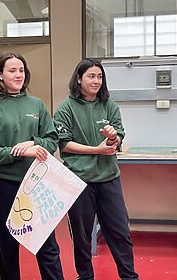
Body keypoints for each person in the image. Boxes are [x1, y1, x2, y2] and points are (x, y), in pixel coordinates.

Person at [53, 58, 139, 280]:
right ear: (79, 78)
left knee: (120, 232)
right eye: (91, 76)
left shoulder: (109, 106)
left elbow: (119, 136)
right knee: (81, 237)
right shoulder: (66, 108)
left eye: (100, 76)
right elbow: (64, 144)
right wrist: (96, 150)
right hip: (78, 181)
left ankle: (129, 276)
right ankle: (85, 276)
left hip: (108, 178)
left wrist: (113, 138)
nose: (96, 81)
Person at [0, 52, 64, 280]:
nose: (18, 75)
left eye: (21, 70)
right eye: (12, 70)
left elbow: (51, 140)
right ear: (0, 74)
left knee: (47, 245)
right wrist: (16, 151)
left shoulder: (36, 104)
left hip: (36, 184)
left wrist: (34, 143)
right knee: (8, 248)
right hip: (5, 186)